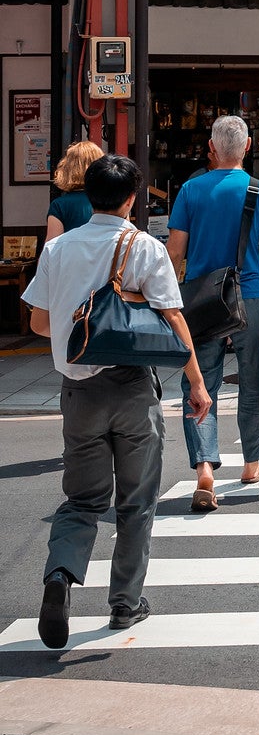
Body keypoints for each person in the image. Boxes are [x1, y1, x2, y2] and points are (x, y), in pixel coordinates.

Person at [24, 153, 211, 648]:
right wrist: (196, 382)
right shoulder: (144, 247)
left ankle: (60, 576)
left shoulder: (58, 249)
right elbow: (173, 319)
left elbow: (39, 324)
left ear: (88, 195)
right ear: (132, 200)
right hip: (132, 388)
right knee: (136, 501)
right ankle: (125, 603)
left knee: (82, 499)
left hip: (78, 391)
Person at [165, 113, 259, 513]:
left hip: (202, 302)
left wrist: (168, 304)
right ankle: (252, 465)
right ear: (248, 147)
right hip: (251, 296)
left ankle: (205, 467)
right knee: (255, 383)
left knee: (199, 385)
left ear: (211, 148)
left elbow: (174, 254)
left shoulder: (189, 190)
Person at [46, 139, 104, 245]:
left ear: (67, 168)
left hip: (72, 259)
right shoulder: (114, 200)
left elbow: (52, 249)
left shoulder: (60, 205)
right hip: (108, 259)